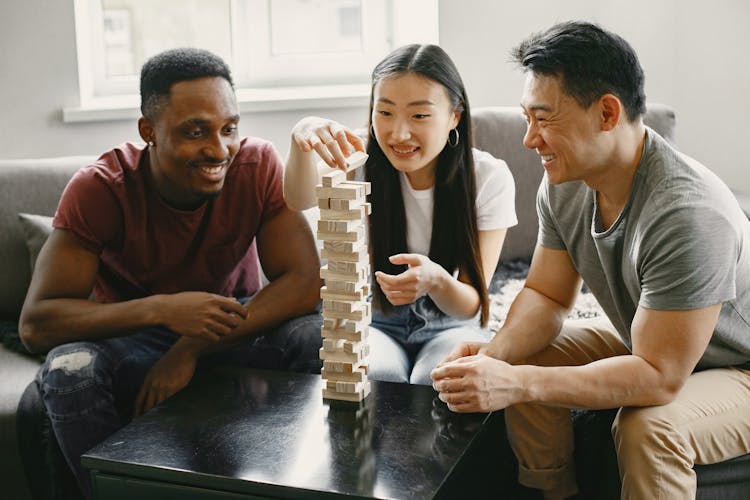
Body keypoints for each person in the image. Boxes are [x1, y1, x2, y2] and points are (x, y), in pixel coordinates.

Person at [431, 21, 750, 500]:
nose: (529, 139)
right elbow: (546, 293)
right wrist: (495, 360)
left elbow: (659, 377)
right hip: (653, 342)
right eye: (526, 118)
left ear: (606, 112)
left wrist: (518, 383)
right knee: (526, 351)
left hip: (737, 367)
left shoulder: (688, 212)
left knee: (649, 427)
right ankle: (553, 493)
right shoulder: (564, 183)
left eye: (544, 118)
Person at [19, 48, 322, 498]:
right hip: (133, 336)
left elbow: (304, 282)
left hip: (233, 327)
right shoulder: (101, 187)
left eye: (229, 128)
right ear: (149, 131)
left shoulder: (256, 166)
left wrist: (190, 347)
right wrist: (163, 310)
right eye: (195, 132)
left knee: (322, 337)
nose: (219, 149)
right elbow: (36, 323)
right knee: (69, 371)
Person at [283, 44, 517, 385]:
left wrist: (435, 281)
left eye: (420, 115)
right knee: (377, 379)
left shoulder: (488, 177)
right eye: (386, 112)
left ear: (455, 115)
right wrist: (300, 137)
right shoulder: (358, 155)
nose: (399, 133)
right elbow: (298, 198)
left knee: (436, 381)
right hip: (374, 318)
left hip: (451, 323)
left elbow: (471, 303)